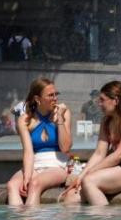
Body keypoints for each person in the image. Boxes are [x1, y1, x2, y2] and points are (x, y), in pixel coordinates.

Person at [62, 80, 121, 205]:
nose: (99, 103)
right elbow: (99, 153)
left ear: (115, 101)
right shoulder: (106, 121)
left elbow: (120, 154)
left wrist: (89, 173)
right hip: (120, 165)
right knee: (71, 197)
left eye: (102, 100)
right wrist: (81, 175)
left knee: (89, 181)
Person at [6, 78, 72, 206]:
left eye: (55, 94)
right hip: (35, 163)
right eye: (50, 95)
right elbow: (28, 152)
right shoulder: (24, 120)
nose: (55, 99)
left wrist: (59, 118)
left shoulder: (64, 113)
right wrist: (26, 177)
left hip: (57, 164)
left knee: (35, 184)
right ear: (37, 99)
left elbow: (66, 148)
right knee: (12, 185)